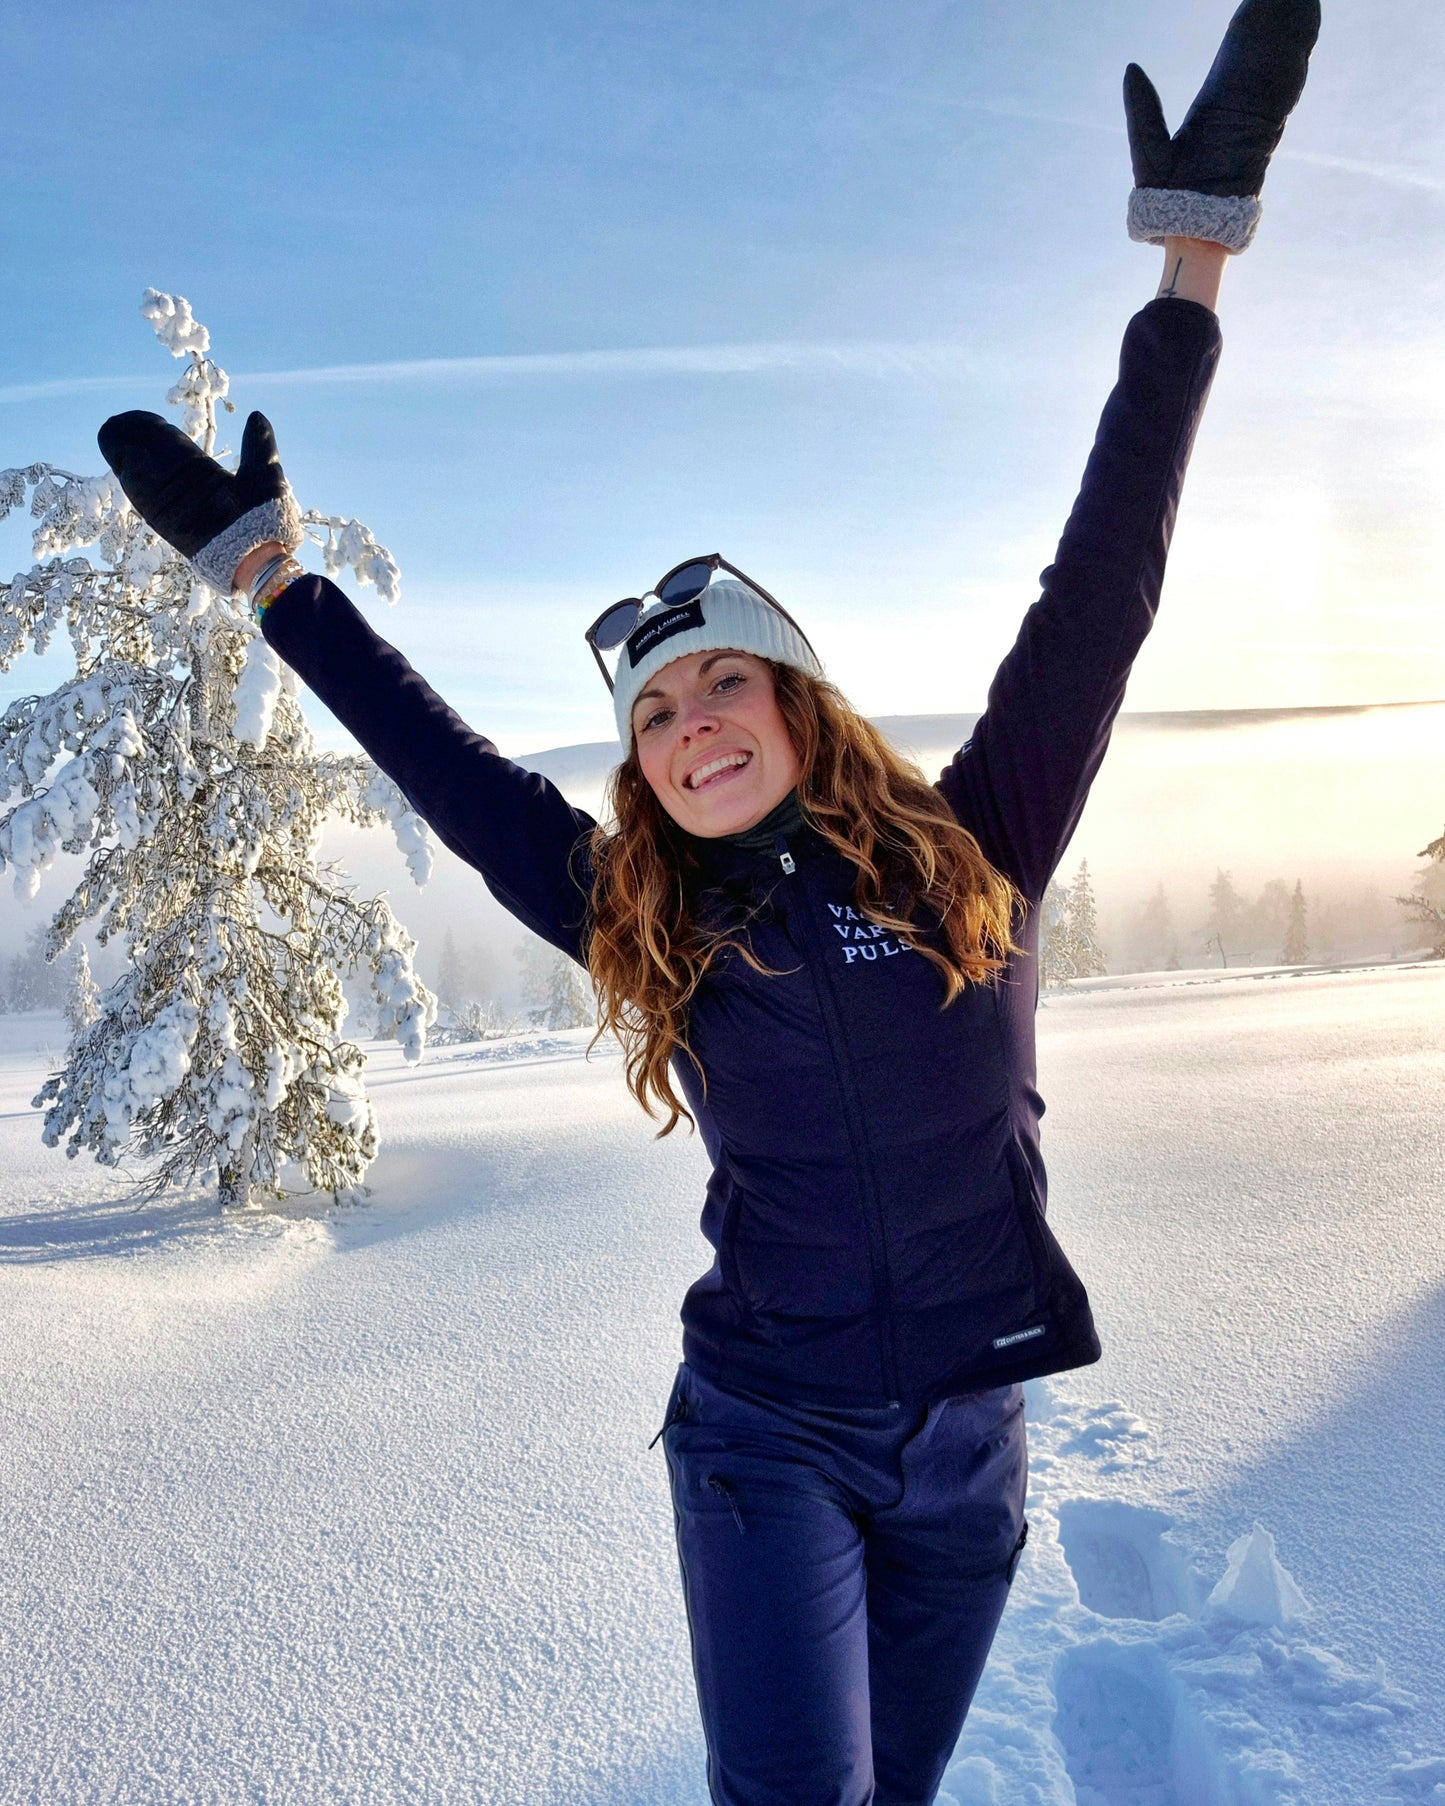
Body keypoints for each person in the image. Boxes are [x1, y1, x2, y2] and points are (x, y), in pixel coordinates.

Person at [97, 3, 1319, 1799]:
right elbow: (442, 764)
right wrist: (280, 584)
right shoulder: (638, 909)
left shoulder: (974, 842)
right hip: (767, 1435)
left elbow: (1105, 575)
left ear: (794, 700)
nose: (684, 724)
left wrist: (1190, 266)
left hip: (972, 1438)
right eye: (651, 714)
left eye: (716, 684)